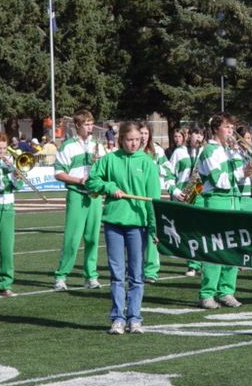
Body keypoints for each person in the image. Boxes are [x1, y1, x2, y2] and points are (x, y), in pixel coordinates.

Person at [86, 121, 160, 334]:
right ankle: (118, 317)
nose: (134, 143)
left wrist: (154, 228)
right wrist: (109, 187)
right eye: (130, 140)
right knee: (117, 274)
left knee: (136, 275)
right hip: (114, 224)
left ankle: (135, 317)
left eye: (138, 139)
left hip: (138, 226)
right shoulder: (109, 160)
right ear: (121, 140)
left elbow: (152, 199)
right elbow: (91, 181)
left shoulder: (147, 163)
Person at [195, 113, 252, 309]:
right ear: (216, 129)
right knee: (215, 248)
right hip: (217, 201)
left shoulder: (230, 151)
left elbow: (238, 180)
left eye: (232, 127)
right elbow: (220, 181)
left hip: (234, 200)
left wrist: (247, 169)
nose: (231, 131)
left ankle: (227, 291)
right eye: (227, 127)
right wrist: (242, 172)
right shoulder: (210, 151)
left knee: (233, 248)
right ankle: (207, 293)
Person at [52, 110, 104, 291]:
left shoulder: (97, 144)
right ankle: (61, 276)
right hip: (76, 193)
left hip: (94, 196)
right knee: (72, 238)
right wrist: (79, 180)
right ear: (77, 126)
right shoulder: (67, 146)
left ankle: (91, 276)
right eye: (87, 124)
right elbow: (58, 173)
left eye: (91, 123)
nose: (90, 127)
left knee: (92, 238)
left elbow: (105, 170)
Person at [139, 122, 175, 283]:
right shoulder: (131, 151)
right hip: (136, 197)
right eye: (141, 133)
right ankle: (134, 268)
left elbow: (168, 171)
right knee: (136, 232)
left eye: (146, 133)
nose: (143, 136)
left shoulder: (157, 151)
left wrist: (155, 169)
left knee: (154, 232)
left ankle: (151, 270)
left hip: (153, 197)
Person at [169, 126, 204, 276]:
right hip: (185, 192)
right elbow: (168, 173)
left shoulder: (205, 151)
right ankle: (192, 263)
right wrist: (175, 191)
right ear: (189, 135)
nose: (198, 137)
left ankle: (200, 263)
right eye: (195, 133)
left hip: (201, 191)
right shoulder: (179, 152)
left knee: (201, 230)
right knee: (188, 230)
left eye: (201, 134)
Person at [0, 132, 23, 297]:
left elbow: (18, 187)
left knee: (7, 249)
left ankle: (5, 285)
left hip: (8, 207)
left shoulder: (8, 163)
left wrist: (17, 177)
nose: (2, 152)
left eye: (4, 148)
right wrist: (10, 177)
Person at [236, 125, 252, 213]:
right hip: (240, 194)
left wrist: (250, 151)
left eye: (249, 138)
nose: (248, 141)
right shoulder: (235, 154)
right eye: (245, 138)